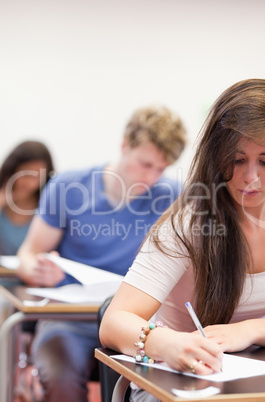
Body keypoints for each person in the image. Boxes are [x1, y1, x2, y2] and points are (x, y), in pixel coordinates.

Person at [99, 79, 265, 402]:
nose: (251, 177)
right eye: (237, 160)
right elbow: (114, 323)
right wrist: (166, 342)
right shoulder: (186, 224)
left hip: (253, 378)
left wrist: (250, 330)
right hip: (174, 382)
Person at [17, 105, 187, 401]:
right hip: (71, 320)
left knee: (164, 384)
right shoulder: (68, 187)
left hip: (139, 322)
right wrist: (37, 269)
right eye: (145, 164)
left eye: (161, 169)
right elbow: (28, 254)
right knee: (60, 375)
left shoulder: (171, 196)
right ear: (124, 145)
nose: (151, 177)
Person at [0, 140, 54, 324]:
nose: (31, 183)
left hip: (31, 286)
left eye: (38, 176)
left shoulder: (47, 209)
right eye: (26, 174)